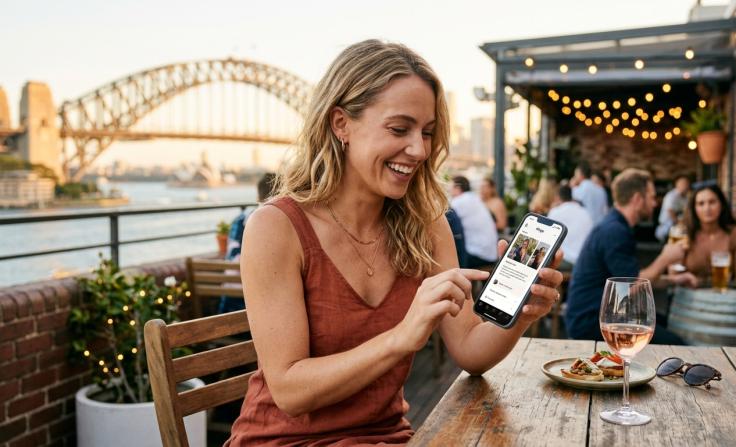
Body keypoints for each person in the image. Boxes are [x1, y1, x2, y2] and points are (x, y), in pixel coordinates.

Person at [228, 40, 564, 446]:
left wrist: (522, 314)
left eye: (427, 133)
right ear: (341, 124)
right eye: (399, 129)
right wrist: (403, 336)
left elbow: (471, 351)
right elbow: (289, 391)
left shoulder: (427, 225)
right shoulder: (275, 227)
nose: (419, 150)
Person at [565, 168, 685, 344]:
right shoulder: (615, 231)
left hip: (606, 314)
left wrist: (675, 280)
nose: (654, 203)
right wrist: (666, 258)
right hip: (591, 322)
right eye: (651, 197)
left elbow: (634, 277)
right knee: (676, 343)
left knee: (669, 323)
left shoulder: (615, 225)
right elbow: (633, 285)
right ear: (637, 199)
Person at [664, 182, 736, 286]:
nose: (707, 208)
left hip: (724, 295)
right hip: (688, 296)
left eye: (712, 202)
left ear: (721, 204)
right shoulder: (683, 234)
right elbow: (673, 275)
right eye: (701, 203)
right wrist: (678, 255)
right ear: (694, 208)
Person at [218, 172, 278, 314]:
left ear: (258, 196)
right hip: (253, 314)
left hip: (227, 309)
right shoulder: (273, 221)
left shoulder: (239, 219)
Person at [450, 175, 499, 268]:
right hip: (491, 253)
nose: (449, 191)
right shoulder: (475, 198)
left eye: (450, 187)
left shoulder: (459, 201)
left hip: (478, 254)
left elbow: (446, 222)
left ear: (457, 188)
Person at [547, 184, 593, 267]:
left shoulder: (555, 212)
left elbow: (548, 239)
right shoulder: (585, 212)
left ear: (557, 197)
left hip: (565, 260)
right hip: (583, 260)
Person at [655, 175, 691, 242]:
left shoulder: (686, 198)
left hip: (678, 226)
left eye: (686, 184)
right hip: (666, 226)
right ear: (677, 184)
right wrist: (679, 223)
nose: (685, 186)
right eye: (682, 183)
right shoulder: (671, 196)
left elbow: (686, 211)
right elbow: (670, 211)